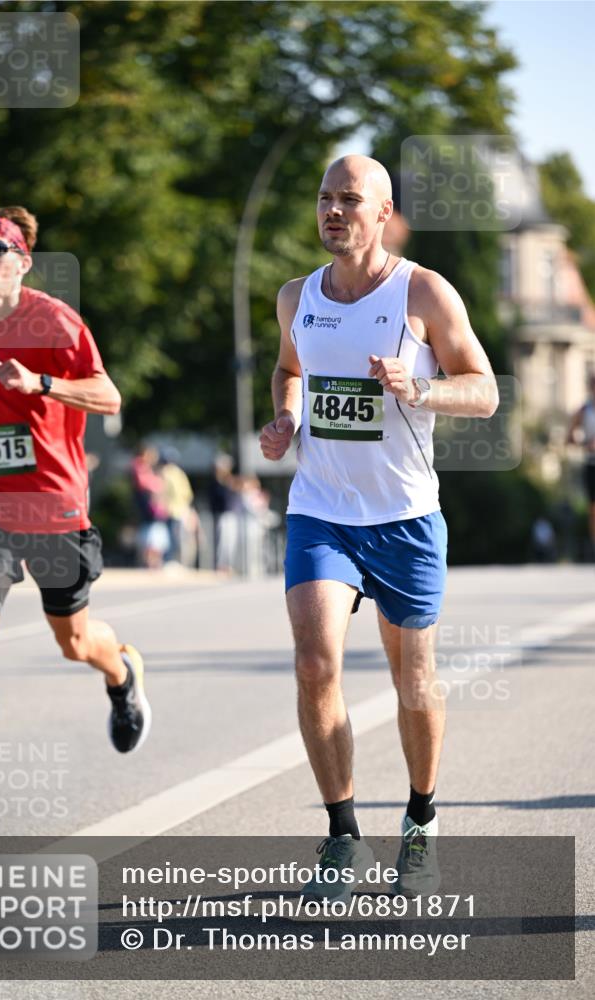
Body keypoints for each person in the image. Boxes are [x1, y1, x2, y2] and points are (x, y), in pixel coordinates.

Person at [260, 155, 499, 900]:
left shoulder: (420, 290)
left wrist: (418, 385)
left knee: (413, 678)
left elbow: (485, 391)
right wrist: (286, 416)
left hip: (402, 517)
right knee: (312, 663)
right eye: (324, 197)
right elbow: (287, 368)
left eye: (349, 200)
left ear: (383, 212)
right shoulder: (296, 296)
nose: (333, 211)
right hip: (321, 509)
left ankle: (420, 824)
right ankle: (341, 836)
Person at [0, 206, 151, 837]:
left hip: (54, 502)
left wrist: (42, 382)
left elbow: (108, 395)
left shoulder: (55, 320)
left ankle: (123, 671)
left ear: (23, 262)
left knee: (74, 641)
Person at [566, 371, 595, 552]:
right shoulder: (583, 410)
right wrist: (583, 442)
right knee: (593, 508)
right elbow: (569, 438)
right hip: (591, 464)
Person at [130, 444, 170, 568]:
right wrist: (157, 484)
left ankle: (154, 560)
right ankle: (148, 560)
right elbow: (144, 483)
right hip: (146, 503)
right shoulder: (139, 465)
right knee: (150, 531)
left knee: (155, 530)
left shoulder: (146, 467)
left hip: (152, 504)